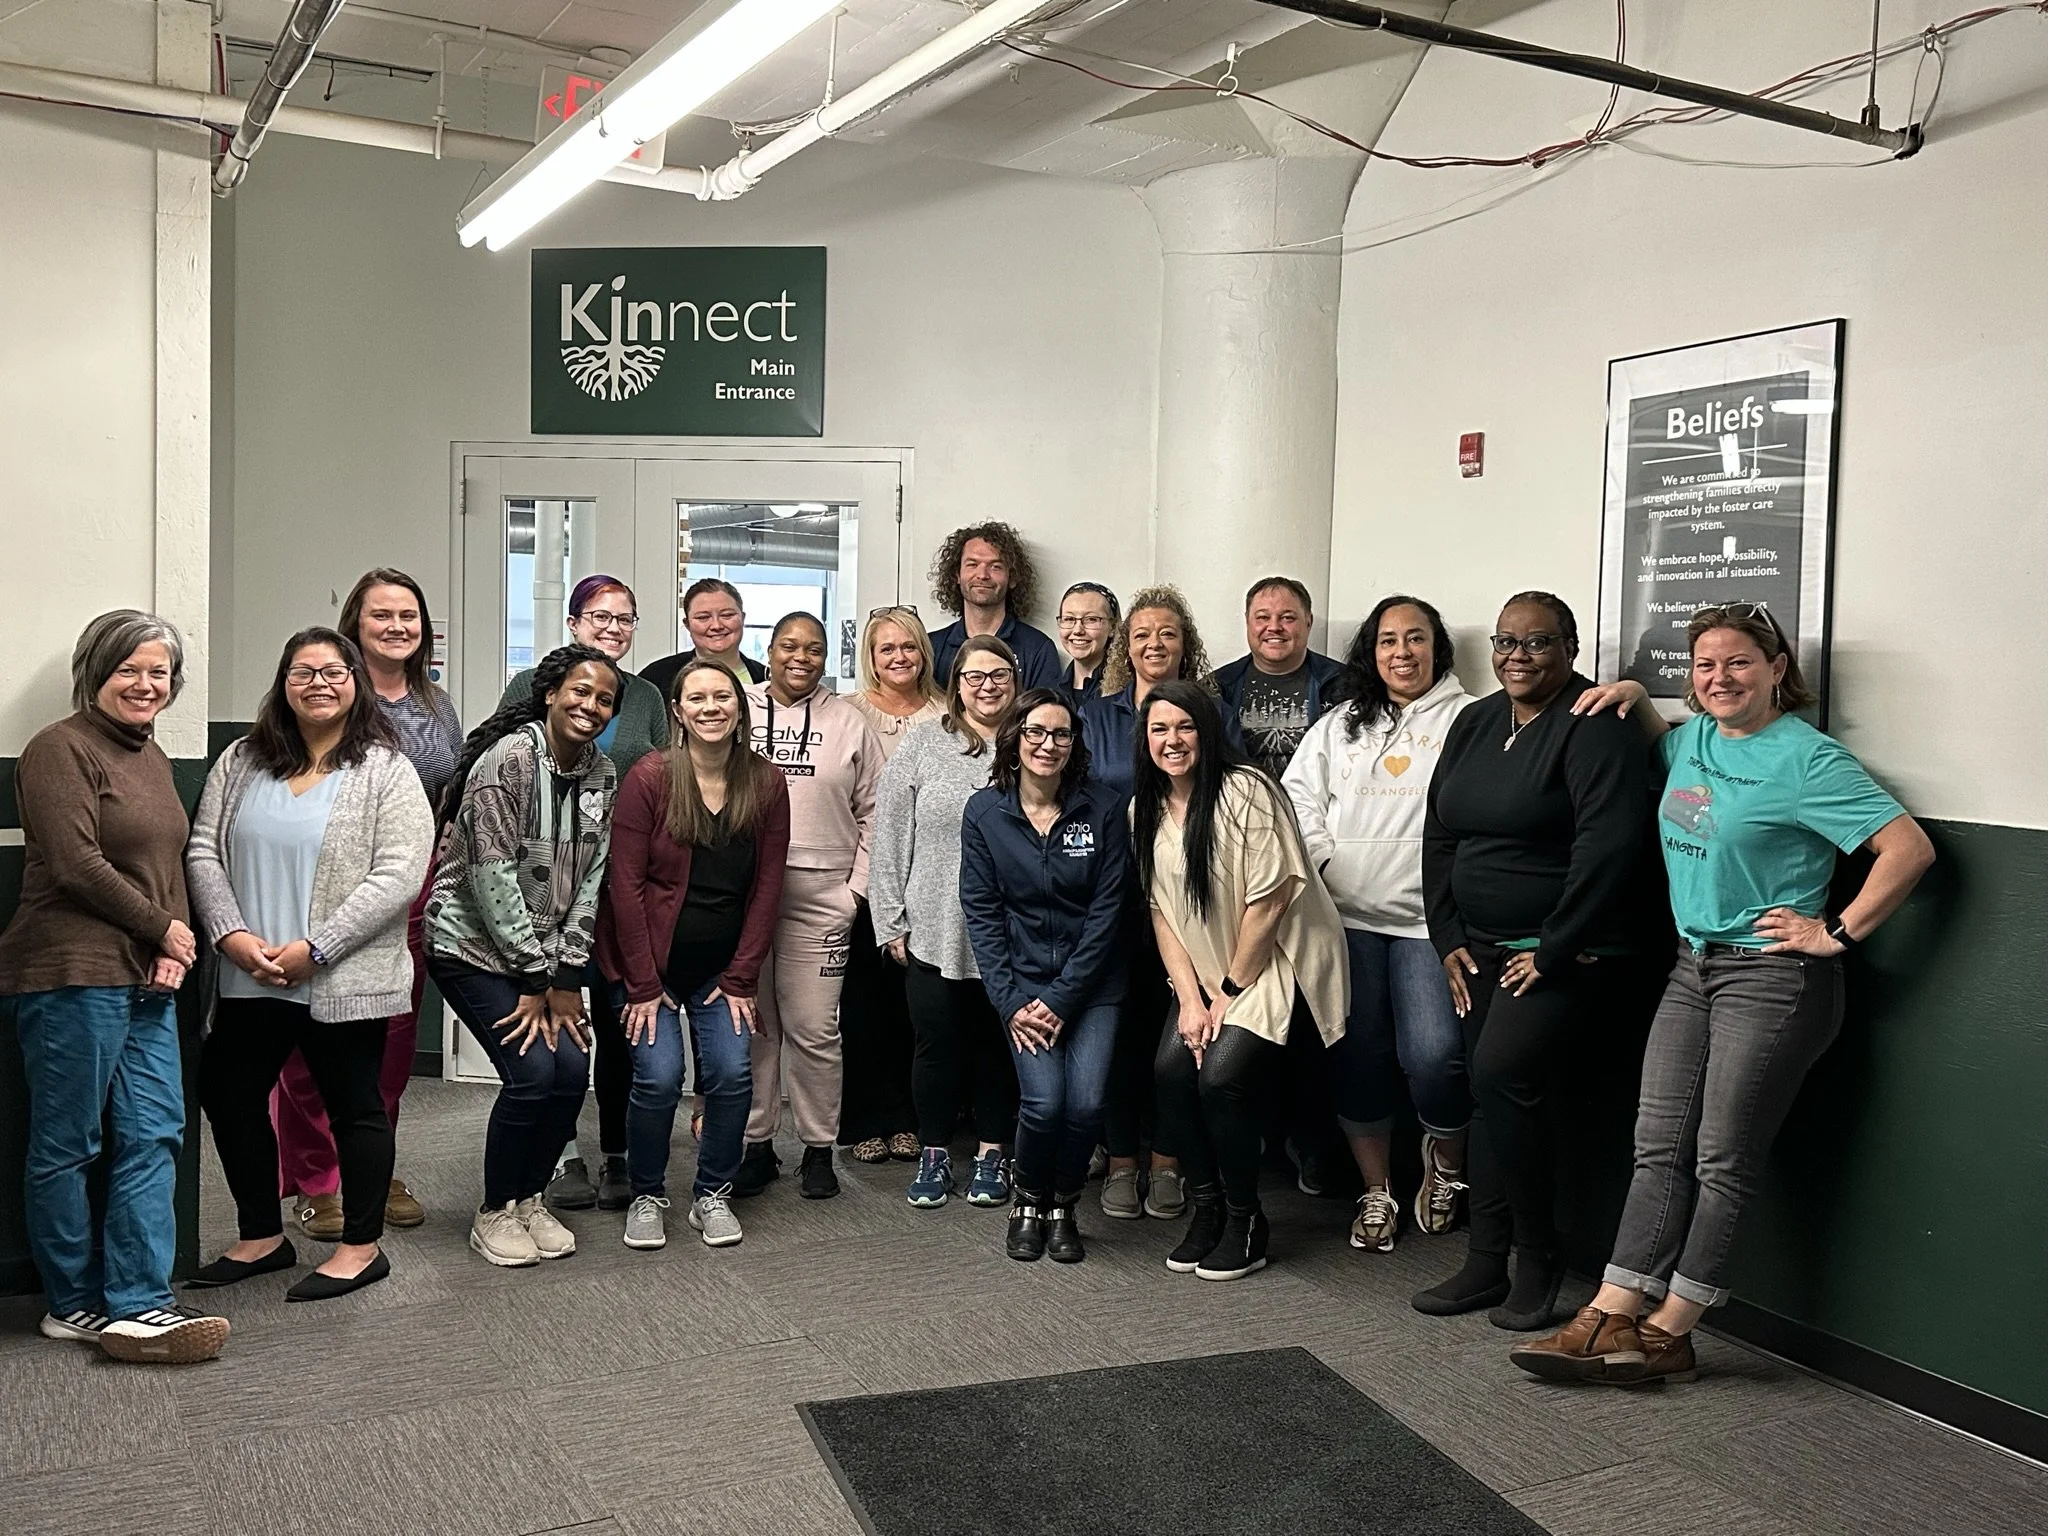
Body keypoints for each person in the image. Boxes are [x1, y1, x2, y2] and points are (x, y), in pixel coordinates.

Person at [1512, 603, 1934, 1386]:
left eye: (1738, 662)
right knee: (1658, 1144)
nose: (1720, 678)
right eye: (1705, 665)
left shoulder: (1808, 759)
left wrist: (1834, 932)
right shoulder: (1689, 741)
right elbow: (1654, 750)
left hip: (1775, 978)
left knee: (1721, 1157)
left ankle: (1674, 1326)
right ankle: (1615, 1305)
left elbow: (1908, 848)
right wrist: (1638, 697)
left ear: (1777, 670)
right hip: (1690, 966)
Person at [1412, 591, 1663, 1331]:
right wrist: (1445, 933)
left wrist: (1551, 950)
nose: (1518, 657)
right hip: (1478, 950)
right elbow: (1439, 832)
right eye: (1506, 643)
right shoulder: (1475, 720)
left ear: (1572, 649)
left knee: (1500, 1075)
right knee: (1487, 1095)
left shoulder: (1596, 724)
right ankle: (1485, 1261)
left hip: (1567, 951)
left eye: (1538, 644)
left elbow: (1608, 847)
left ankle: (1539, 1256)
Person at [0, 610, 229, 1362]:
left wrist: (172, 945)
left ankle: (139, 1301)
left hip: (145, 978)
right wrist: (164, 930)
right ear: (94, 671)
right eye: (129, 668)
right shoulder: (57, 749)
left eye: (158, 671)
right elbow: (75, 864)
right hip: (68, 972)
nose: (145, 683)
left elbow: (169, 862)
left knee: (155, 1134)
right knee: (71, 1144)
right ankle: (71, 1302)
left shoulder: (153, 755)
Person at [187, 629, 432, 1301]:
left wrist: (316, 948)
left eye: (333, 671)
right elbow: (203, 850)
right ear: (283, 681)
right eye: (303, 671)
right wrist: (230, 934)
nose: (318, 682)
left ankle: (361, 1246)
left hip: (338, 977)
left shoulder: (387, 769)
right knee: (229, 1094)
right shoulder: (242, 760)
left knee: (355, 1107)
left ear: (355, 681)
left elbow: (399, 875)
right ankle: (262, 1235)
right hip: (249, 973)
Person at [1135, 683, 1348, 1281]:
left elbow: (1270, 902)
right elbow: (1161, 914)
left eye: (1184, 727)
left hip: (1270, 963)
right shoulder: (1143, 808)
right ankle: (1206, 1213)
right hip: (1203, 974)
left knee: (1220, 1077)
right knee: (1171, 1071)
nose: (1172, 741)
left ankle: (1246, 1218)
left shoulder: (1246, 791)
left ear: (1206, 730)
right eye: (1159, 729)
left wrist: (1225, 994)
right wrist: (1188, 1000)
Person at [1285, 596, 1474, 1255]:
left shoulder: (1468, 718)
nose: (1402, 652)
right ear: (1372, 651)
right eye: (1389, 640)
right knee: (1357, 1057)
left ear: (1437, 648)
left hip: (1429, 925)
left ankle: (1446, 1168)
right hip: (1348, 920)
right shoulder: (1341, 724)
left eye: (1416, 638)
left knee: (1435, 1057)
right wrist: (1326, 858)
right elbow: (1298, 796)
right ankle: (1376, 1192)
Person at [274, 568, 458, 1242]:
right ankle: (317, 1179)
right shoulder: (332, 695)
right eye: (382, 615)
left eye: (408, 615)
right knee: (311, 1038)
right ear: (356, 623)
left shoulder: (437, 706)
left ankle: (369, 1167)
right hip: (324, 893)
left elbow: (449, 800)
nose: (397, 627)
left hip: (408, 895)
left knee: (391, 1041)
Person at [429, 644, 621, 1268]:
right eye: (580, 692)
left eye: (604, 699)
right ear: (549, 693)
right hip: (471, 947)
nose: (590, 706)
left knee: (572, 1070)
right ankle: (494, 1211)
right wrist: (539, 978)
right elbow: (492, 879)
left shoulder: (603, 773)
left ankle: (531, 1198)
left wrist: (568, 975)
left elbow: (591, 880)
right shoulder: (505, 761)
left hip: (545, 961)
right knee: (534, 1072)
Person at [596, 659, 790, 1251]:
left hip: (720, 969)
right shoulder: (651, 778)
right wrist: (644, 986)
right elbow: (623, 885)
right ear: (677, 712)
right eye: (697, 698)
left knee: (733, 1076)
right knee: (657, 1079)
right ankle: (648, 1194)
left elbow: (767, 887)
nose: (711, 707)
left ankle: (712, 1194)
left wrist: (740, 978)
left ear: (740, 709)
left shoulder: (766, 781)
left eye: (722, 697)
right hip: (646, 965)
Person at [502, 574, 665, 1215]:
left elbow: (665, 778)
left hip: (624, 883)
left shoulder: (648, 696)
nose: (613, 628)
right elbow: (504, 760)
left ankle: (618, 1152)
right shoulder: (533, 684)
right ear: (573, 623)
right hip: (549, 880)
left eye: (626, 619)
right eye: (600, 616)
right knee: (555, 1017)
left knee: (622, 1019)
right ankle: (564, 1155)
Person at [960, 689, 1129, 1262]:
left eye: (1060, 734)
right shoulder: (985, 812)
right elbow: (981, 913)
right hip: (1023, 989)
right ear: (1015, 739)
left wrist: (1063, 996)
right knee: (1043, 1103)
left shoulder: (1102, 809)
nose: (1047, 744)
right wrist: (1010, 1002)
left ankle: (1063, 1204)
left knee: (1084, 1105)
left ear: (1074, 744)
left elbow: (1108, 914)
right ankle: (1027, 1201)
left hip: (1094, 986)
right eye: (1035, 732)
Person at [734, 611, 884, 1200]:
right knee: (752, 1027)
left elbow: (877, 812)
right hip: (744, 896)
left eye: (815, 648)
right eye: (789, 645)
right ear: (768, 649)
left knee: (815, 1028)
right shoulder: (737, 708)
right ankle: (757, 1144)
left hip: (821, 897)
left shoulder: (849, 721)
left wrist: (855, 892)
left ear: (827, 657)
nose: (801, 657)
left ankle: (818, 1147)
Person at [870, 636, 1021, 1209]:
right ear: (956, 684)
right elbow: (890, 835)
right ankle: (934, 1154)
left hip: (1009, 932)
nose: (987, 685)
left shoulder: (1030, 741)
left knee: (995, 1046)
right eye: (975, 675)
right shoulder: (924, 745)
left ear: (1015, 678)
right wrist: (890, 921)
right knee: (935, 1046)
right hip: (932, 926)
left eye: (999, 674)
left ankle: (991, 1155)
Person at [1077, 585, 1212, 1221]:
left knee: (1180, 1036)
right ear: (1122, 647)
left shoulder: (1209, 713)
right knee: (1120, 1036)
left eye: (1168, 634)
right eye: (1141, 635)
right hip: (1112, 902)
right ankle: (1124, 1158)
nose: (1153, 645)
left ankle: (1170, 1161)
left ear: (1187, 646)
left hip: (1190, 903)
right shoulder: (1095, 714)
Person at [837, 606, 943, 1165]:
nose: (899, 657)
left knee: (914, 1008)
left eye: (909, 647)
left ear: (923, 652)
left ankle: (907, 1118)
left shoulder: (949, 713)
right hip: (863, 875)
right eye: (887, 649)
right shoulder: (847, 713)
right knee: (863, 1005)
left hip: (929, 881)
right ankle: (864, 1121)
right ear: (870, 658)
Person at [1211, 576, 1348, 782]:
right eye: (1263, 618)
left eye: (1287, 618)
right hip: (1241, 807)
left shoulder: (1346, 685)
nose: (1274, 627)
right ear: (1248, 622)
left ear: (1308, 622)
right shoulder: (1216, 688)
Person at [926, 521, 1063, 693]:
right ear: (957, 575)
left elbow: (1045, 716)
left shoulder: (1037, 649)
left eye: (995, 566)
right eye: (972, 565)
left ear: (1012, 578)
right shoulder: (930, 647)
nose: (982, 575)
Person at [639, 576, 769, 704]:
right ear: (687, 625)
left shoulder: (767, 678)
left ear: (743, 618)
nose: (716, 626)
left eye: (727, 615)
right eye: (703, 617)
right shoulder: (656, 678)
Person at [1055, 582, 1120, 706]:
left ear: (1113, 627)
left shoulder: (1126, 692)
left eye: (1091, 619)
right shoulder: (1054, 691)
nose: (1078, 630)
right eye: (1069, 619)